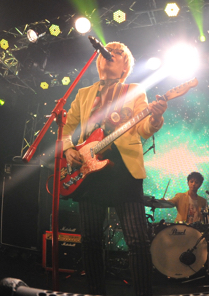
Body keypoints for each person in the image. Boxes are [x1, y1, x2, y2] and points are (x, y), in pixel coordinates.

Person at [62, 41, 167, 296]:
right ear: (98, 60)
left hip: (123, 170)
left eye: (118, 53)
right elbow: (67, 128)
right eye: (106, 52)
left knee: (137, 241)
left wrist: (155, 117)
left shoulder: (134, 90)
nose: (110, 55)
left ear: (125, 67)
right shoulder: (83, 94)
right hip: (88, 170)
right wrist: (68, 149)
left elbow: (143, 129)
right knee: (90, 241)